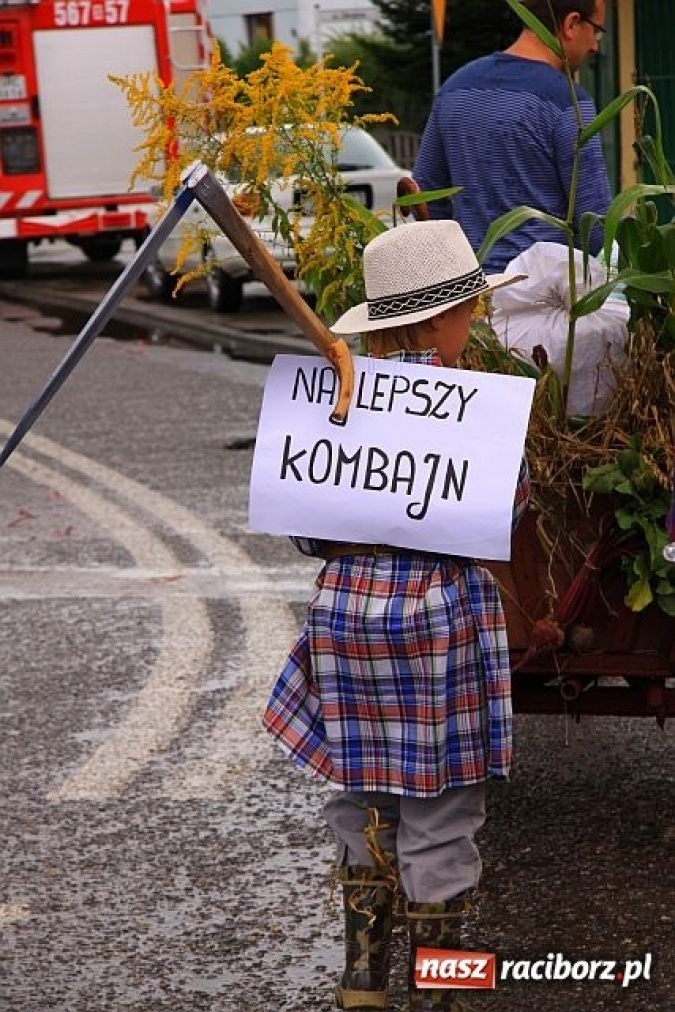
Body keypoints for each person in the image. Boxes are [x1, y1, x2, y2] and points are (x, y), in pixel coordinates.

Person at [262, 220, 530, 1012]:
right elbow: (505, 518)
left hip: (343, 625)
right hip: (437, 628)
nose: (473, 324)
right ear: (440, 322)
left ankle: (361, 985)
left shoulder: (335, 396)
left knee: (360, 799)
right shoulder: (474, 410)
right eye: (468, 313)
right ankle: (442, 995)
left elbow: (306, 529)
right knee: (443, 816)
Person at [413, 0, 612, 273]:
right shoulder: (569, 102)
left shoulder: (455, 88)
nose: (595, 46)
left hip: (472, 294)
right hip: (545, 299)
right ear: (571, 24)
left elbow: (425, 193)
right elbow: (596, 224)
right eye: (597, 31)